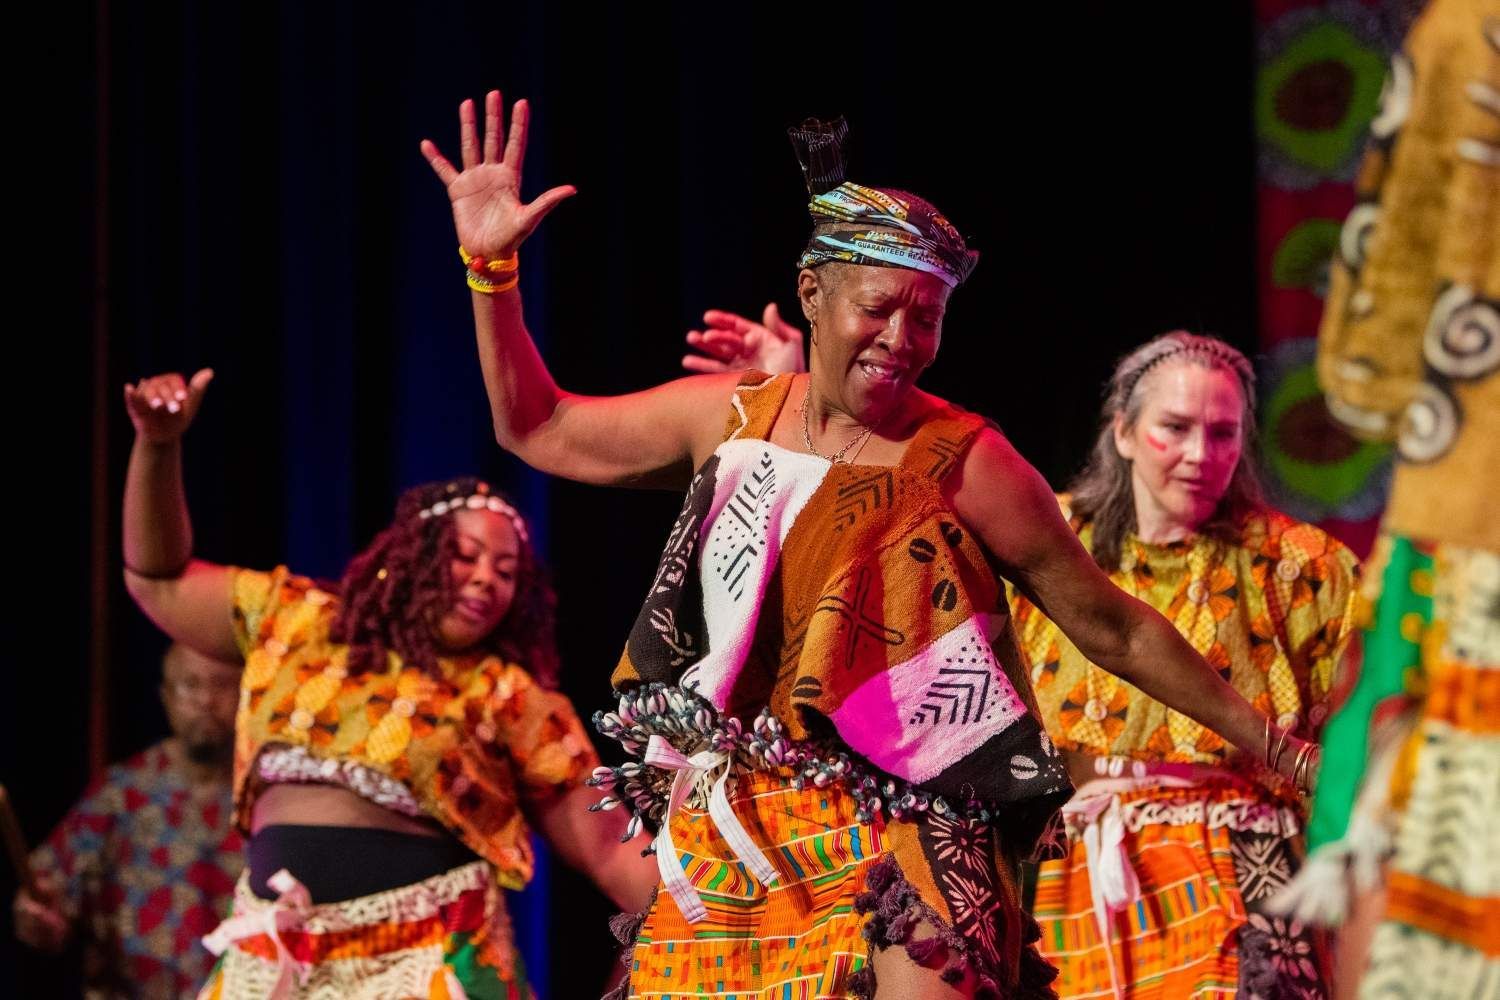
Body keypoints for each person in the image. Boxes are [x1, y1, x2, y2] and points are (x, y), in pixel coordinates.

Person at [422, 100, 1321, 998]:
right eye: (880, 308)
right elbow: (535, 425)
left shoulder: (967, 458)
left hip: (910, 815)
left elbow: (1112, 628)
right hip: (742, 818)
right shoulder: (732, 417)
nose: (903, 341)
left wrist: (1281, 753)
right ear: (813, 295)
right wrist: (489, 269)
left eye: (927, 318)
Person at [120, 369, 654, 998]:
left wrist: (727, 915)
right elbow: (156, 578)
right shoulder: (293, 618)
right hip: (274, 957)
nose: (487, 579)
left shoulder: (507, 693)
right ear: (410, 557)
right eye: (465, 555)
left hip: (425, 959)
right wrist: (158, 446)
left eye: (506, 570)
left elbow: (611, 852)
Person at [13, 643, 244, 998]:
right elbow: (47, 898)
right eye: (190, 685)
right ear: (166, 697)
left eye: (220, 685)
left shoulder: (266, 797)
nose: (205, 701)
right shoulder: (121, 793)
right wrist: (38, 916)